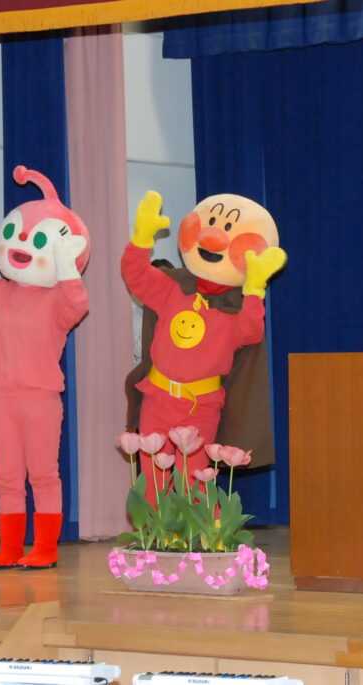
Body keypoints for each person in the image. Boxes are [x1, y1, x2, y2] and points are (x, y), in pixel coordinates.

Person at [0, 165, 90, 569]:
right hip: (1, 399)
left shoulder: (58, 299)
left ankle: (45, 548)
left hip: (41, 400)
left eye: (39, 240)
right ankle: (10, 547)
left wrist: (66, 266)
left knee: (43, 476)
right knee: (6, 478)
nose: (23, 245)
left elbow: (77, 304)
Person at [121, 190, 286, 505]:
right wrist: (140, 240)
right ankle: (155, 534)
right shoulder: (173, 287)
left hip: (200, 407)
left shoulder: (235, 308)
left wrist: (254, 290)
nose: (213, 239)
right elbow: (137, 277)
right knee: (153, 481)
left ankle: (198, 534)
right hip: (158, 398)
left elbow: (251, 332)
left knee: (193, 480)